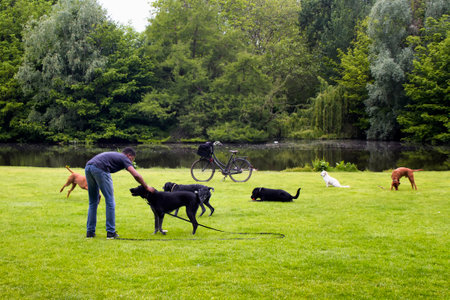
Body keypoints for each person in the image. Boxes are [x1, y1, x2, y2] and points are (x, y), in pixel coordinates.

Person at [85, 147, 155, 239]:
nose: (131, 162)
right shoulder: (124, 158)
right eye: (132, 159)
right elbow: (136, 175)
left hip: (88, 167)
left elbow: (96, 166)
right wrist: (146, 187)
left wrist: (97, 190)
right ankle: (111, 232)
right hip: (100, 168)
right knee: (110, 201)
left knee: (93, 201)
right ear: (129, 155)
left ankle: (90, 233)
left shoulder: (115, 155)